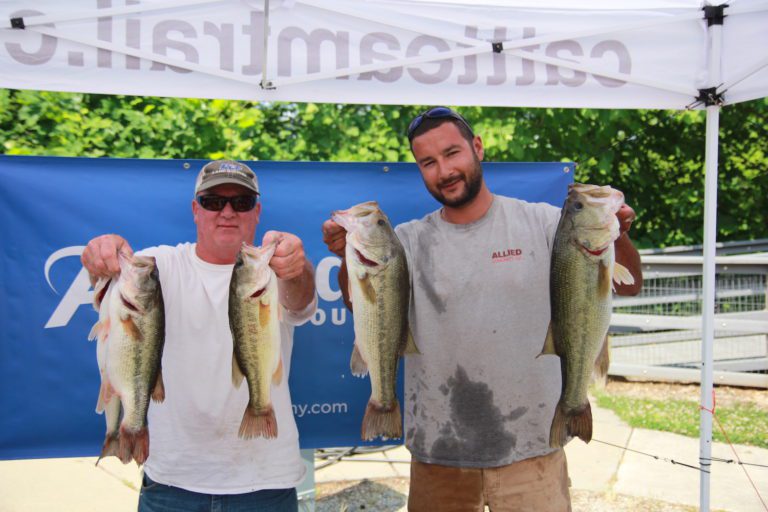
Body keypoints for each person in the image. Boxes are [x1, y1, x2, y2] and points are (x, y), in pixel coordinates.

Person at [322, 107, 642, 512]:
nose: (444, 171)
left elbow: (630, 284)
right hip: (438, 453)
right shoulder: (406, 241)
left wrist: (619, 233)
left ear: (477, 147)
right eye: (428, 162)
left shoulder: (547, 223)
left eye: (452, 153)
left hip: (534, 450)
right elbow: (363, 307)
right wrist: (346, 257)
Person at [82, 159, 317, 512]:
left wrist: (297, 269)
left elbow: (301, 302)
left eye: (241, 202)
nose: (227, 212)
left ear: (257, 212)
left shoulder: (274, 271)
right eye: (213, 201)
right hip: (171, 482)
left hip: (267, 481)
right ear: (195, 210)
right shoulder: (157, 264)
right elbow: (111, 278)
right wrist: (103, 252)